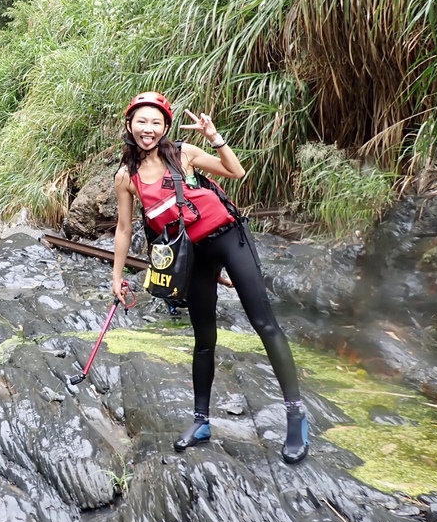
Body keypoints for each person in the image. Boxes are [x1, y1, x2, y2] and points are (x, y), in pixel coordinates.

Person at [110, 91, 309, 464]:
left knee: (264, 324)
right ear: (130, 125)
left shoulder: (183, 153)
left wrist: (214, 137)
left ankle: (296, 417)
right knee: (204, 338)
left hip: (229, 239)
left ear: (165, 127)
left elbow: (236, 171)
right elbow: (123, 229)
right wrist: (117, 277)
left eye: (156, 122)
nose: (148, 129)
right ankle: (201, 422)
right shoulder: (127, 176)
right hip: (194, 255)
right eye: (141, 121)